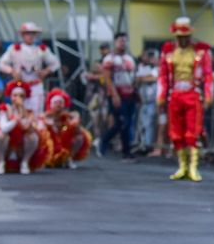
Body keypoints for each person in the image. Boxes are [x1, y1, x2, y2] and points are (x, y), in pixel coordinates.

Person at [157, 17, 213, 181]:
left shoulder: (200, 52)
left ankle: (193, 167)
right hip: (175, 95)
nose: (183, 39)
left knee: (192, 131)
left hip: (192, 94)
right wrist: (161, 95)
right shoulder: (168, 52)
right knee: (176, 132)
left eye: (186, 36)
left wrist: (208, 94)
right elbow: (163, 75)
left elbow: (208, 75)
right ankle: (182, 166)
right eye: (180, 36)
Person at [0, 80, 52, 175]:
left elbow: (28, 127)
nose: (18, 98)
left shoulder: (29, 112)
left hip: (21, 146)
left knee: (33, 136)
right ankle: (1, 161)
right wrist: (15, 120)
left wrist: (22, 111)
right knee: (0, 135)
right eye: (15, 95)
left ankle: (25, 162)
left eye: (21, 96)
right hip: (7, 145)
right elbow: (4, 128)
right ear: (11, 97)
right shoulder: (5, 109)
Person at [0, 22, 60, 114]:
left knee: (36, 113)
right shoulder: (14, 49)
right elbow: (0, 64)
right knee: (18, 112)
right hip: (19, 85)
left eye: (32, 34)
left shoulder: (41, 50)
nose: (30, 36)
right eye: (27, 33)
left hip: (35, 86)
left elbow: (56, 63)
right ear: (22, 35)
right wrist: (12, 71)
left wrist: (46, 71)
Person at [100, 32, 137, 160]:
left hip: (130, 95)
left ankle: (109, 143)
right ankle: (124, 151)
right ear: (115, 42)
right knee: (123, 122)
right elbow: (107, 78)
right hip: (117, 95)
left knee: (126, 123)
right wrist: (115, 95)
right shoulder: (109, 59)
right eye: (121, 41)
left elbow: (132, 78)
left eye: (125, 41)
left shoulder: (129, 58)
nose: (123, 43)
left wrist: (136, 93)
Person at [42, 88, 91, 169]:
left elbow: (78, 129)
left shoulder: (70, 116)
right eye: (56, 103)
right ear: (51, 104)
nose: (58, 105)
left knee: (80, 137)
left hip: (66, 145)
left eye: (60, 103)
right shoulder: (46, 116)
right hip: (53, 147)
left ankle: (69, 159)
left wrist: (70, 120)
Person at [136, 49, 160, 155]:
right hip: (143, 101)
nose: (152, 59)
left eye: (154, 57)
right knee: (142, 124)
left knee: (150, 124)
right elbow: (137, 79)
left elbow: (152, 78)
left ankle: (148, 145)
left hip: (153, 101)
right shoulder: (144, 68)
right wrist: (143, 78)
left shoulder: (159, 69)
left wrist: (143, 78)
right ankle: (142, 144)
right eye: (150, 57)